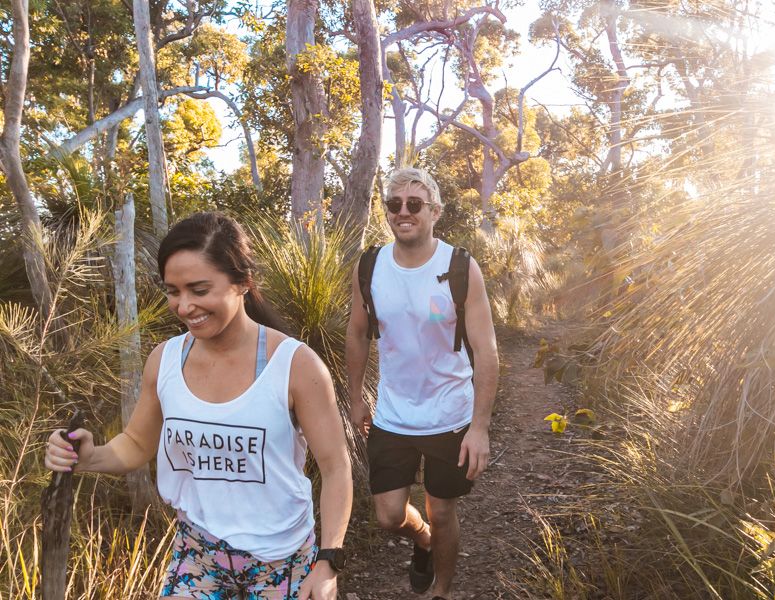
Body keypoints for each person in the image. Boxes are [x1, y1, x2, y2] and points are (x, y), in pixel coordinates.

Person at [44, 212, 352, 600]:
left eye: (199, 290)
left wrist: (328, 561)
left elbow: (336, 466)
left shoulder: (295, 364)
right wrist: (89, 457)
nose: (185, 306)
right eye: (173, 291)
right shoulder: (166, 360)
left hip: (283, 558)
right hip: (197, 553)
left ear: (242, 282)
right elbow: (136, 444)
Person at [345, 168, 499, 600]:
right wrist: (356, 398)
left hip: (449, 414)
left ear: (434, 211)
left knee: (443, 510)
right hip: (393, 413)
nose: (403, 212)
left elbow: (486, 351)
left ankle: (441, 590)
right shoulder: (370, 265)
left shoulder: (459, 267)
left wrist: (480, 426)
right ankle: (424, 540)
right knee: (389, 516)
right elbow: (357, 333)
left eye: (414, 204)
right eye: (394, 204)